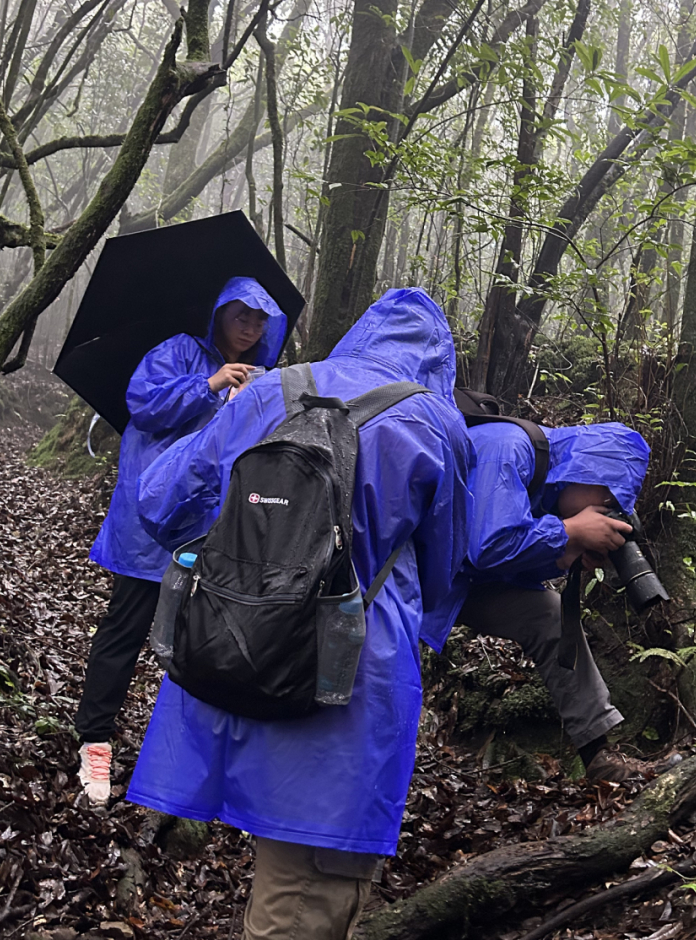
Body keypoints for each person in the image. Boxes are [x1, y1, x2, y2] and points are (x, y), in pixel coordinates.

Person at [128, 287, 472, 940]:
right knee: (310, 892)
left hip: (231, 648)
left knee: (284, 882)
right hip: (347, 679)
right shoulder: (438, 426)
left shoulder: (269, 390)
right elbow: (445, 572)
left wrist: (252, 548)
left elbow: (160, 499)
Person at [76, 276, 286, 806]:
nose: (250, 327)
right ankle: (94, 741)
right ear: (218, 313)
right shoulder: (178, 352)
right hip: (151, 522)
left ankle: (184, 759)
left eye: (260, 320)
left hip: (213, 530)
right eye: (242, 315)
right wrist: (210, 384)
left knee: (204, 641)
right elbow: (142, 406)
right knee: (126, 628)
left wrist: (248, 403)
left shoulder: (260, 377)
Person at [459, 420, 677, 782]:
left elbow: (500, 567)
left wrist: (562, 556)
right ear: (584, 468)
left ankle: (599, 758)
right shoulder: (507, 448)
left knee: (548, 614)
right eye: (607, 499)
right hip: (396, 579)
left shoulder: (548, 485)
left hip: (446, 580)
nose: (605, 510)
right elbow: (488, 547)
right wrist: (570, 532)